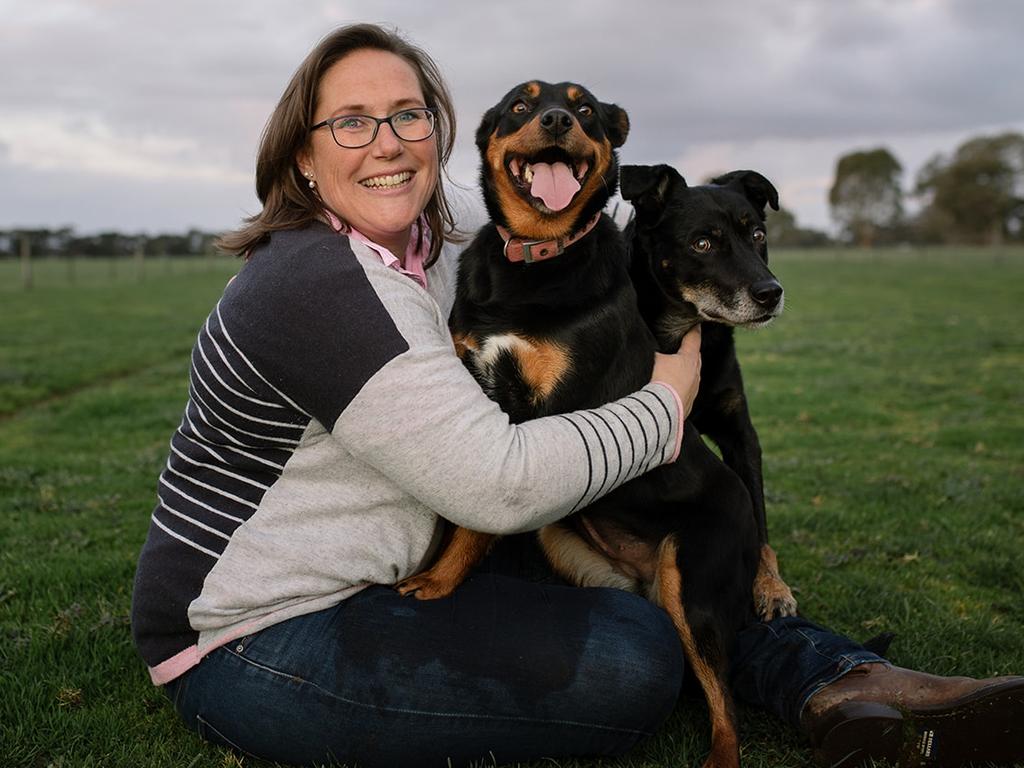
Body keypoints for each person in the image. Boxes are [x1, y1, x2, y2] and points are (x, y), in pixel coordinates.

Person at [130, 22, 1024, 768]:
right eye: (352, 124)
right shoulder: (312, 284)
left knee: (634, 568)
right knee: (626, 656)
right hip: (257, 641)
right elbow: (497, 485)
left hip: (395, 571)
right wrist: (669, 399)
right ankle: (816, 681)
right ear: (301, 152)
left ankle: (832, 682)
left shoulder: (421, 255)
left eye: (408, 115)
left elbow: (576, 239)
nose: (388, 141)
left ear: (444, 134)